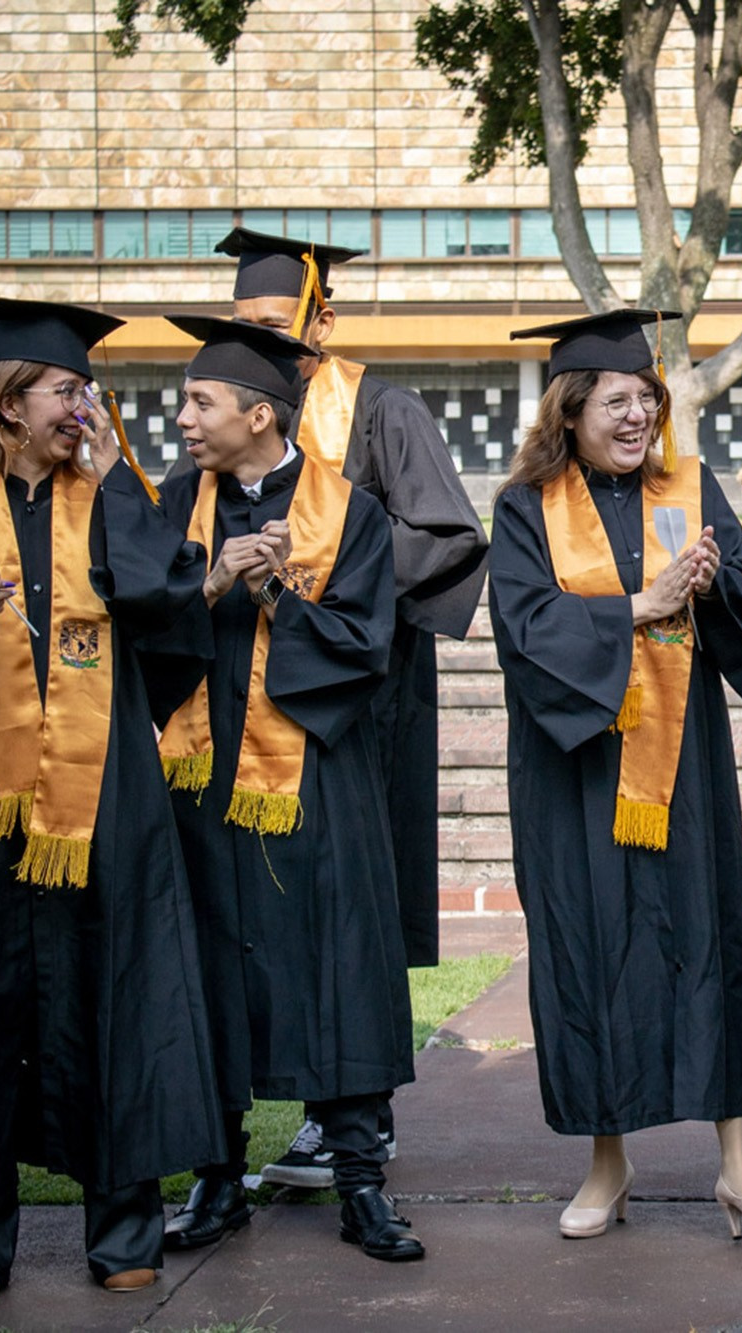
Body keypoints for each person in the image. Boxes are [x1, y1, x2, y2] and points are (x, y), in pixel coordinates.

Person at [0, 301, 226, 1303]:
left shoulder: (109, 494)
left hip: (99, 791)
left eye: (83, 391)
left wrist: (118, 484)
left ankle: (123, 1227)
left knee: (115, 993)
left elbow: (173, 610)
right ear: (8, 406)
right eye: (68, 391)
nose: (85, 408)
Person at [490, 309, 742, 1242]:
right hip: (574, 763)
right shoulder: (525, 507)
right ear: (570, 411)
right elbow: (523, 628)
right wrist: (638, 604)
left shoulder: (687, 490)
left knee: (708, 936)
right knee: (588, 949)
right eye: (616, 401)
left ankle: (737, 1161)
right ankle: (606, 1162)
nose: (636, 417)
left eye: (646, 401)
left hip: (683, 759)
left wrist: (717, 585)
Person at [211, 228, 489, 1188]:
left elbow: (449, 535)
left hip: (358, 694)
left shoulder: (382, 405)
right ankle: (281, 1122)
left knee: (348, 914)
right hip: (246, 704)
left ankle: (356, 1120)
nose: (260, 338)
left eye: (273, 320)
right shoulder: (235, 423)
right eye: (242, 323)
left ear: (321, 316)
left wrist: (340, 574)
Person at [154, 315, 422, 1263]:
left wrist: (275, 596)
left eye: (200, 402)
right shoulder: (173, 501)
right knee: (208, 971)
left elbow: (365, 647)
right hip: (199, 776)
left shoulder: (346, 509)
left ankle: (360, 1186)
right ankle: (215, 1180)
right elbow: (140, 627)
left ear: (258, 414)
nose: (182, 417)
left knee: (338, 964)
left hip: (317, 775)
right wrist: (213, 584)